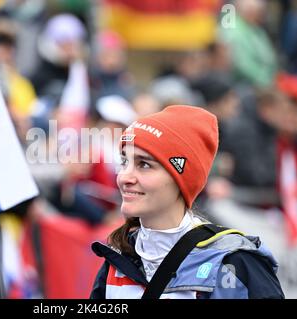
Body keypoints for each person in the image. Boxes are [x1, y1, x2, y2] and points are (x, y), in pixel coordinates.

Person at [90, 105, 284, 299]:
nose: (124, 177)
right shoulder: (117, 262)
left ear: (182, 179)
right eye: (124, 162)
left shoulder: (233, 262)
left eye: (144, 164)